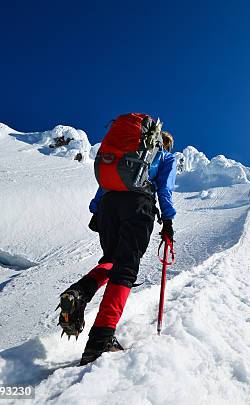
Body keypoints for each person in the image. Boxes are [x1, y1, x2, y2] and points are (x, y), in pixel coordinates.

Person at [58, 130, 177, 365]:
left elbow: (105, 182)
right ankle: (101, 340)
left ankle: (79, 291)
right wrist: (168, 221)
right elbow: (164, 189)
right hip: (138, 205)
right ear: (166, 144)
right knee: (125, 269)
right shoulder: (165, 157)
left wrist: (97, 210)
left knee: (111, 260)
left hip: (108, 205)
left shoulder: (127, 155)